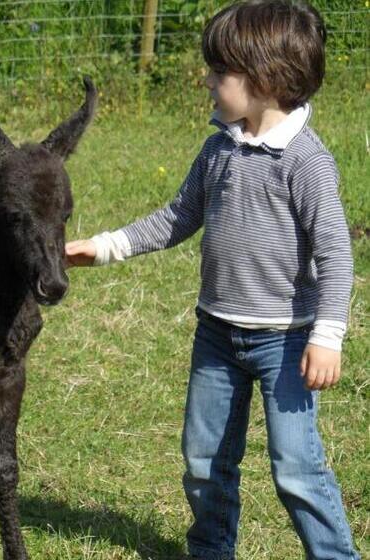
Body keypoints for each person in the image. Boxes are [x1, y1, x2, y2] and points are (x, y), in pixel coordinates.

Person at [66, 1, 360, 558]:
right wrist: (104, 247)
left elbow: (335, 253)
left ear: (265, 79)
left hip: (287, 342)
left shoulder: (306, 162)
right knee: (203, 461)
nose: (207, 81)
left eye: (219, 72)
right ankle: (210, 551)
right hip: (217, 335)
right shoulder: (219, 146)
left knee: (295, 469)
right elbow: (178, 217)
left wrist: (327, 336)